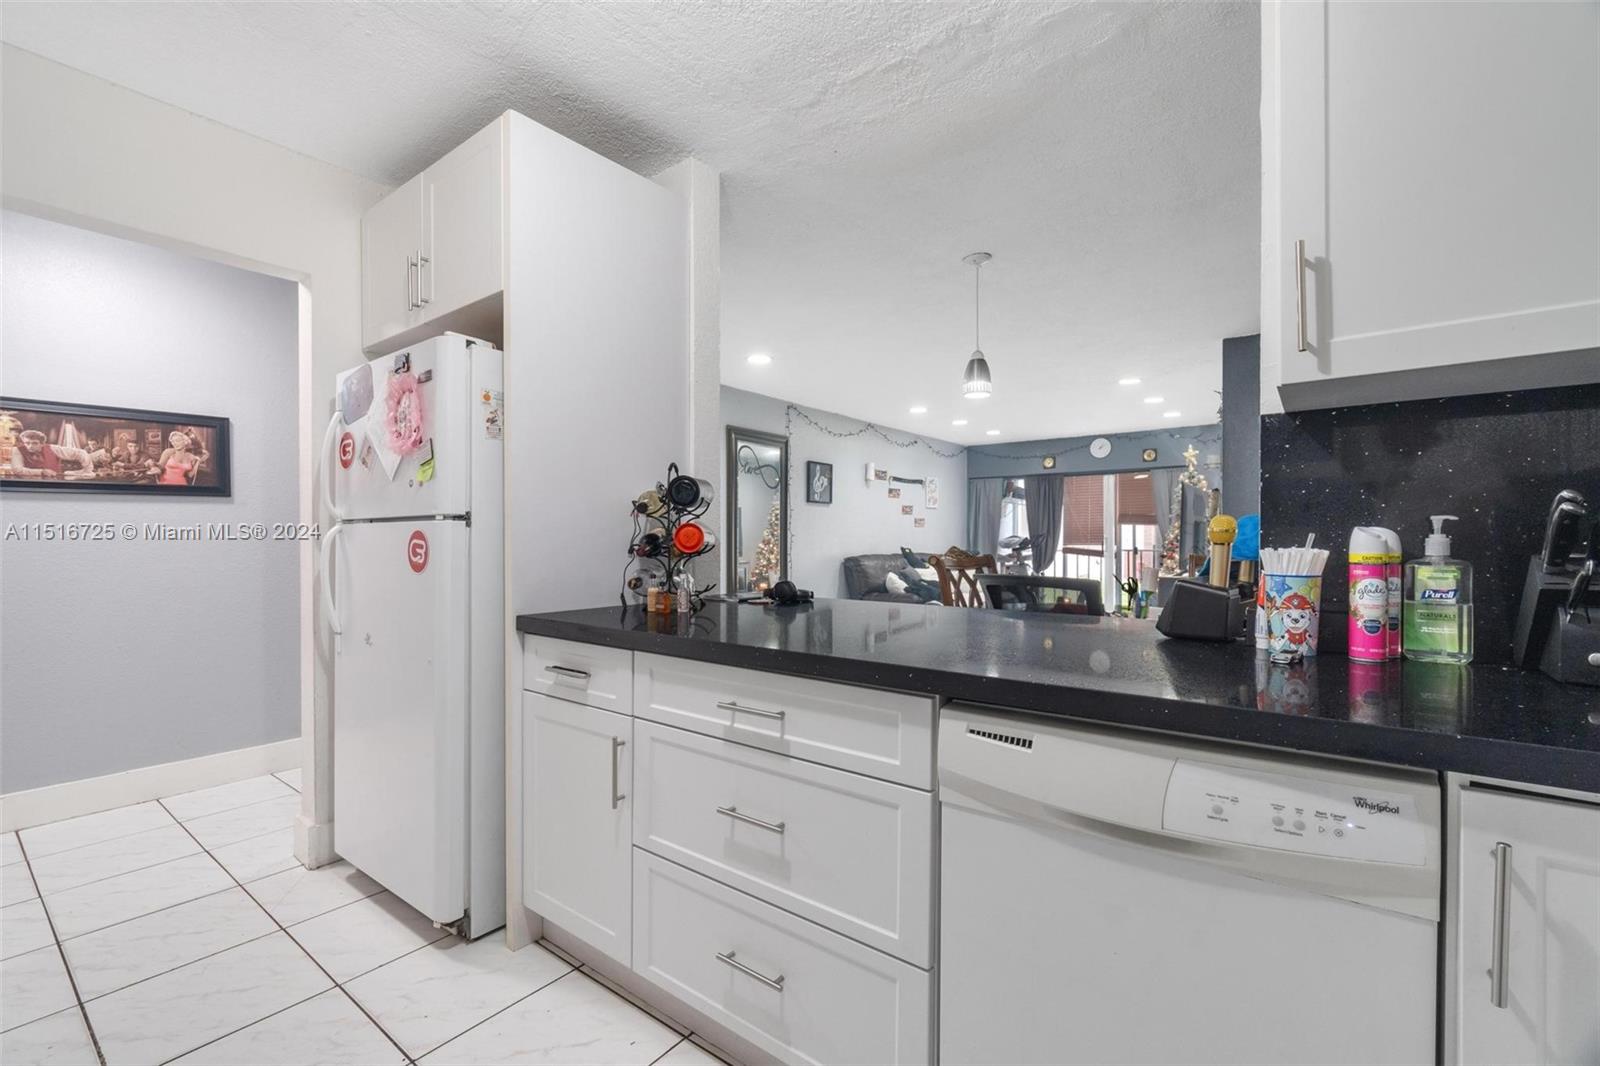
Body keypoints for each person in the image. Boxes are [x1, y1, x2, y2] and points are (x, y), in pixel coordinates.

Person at [8, 429, 94, 479]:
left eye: (34, 443)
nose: (30, 446)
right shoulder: (17, 450)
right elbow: (17, 470)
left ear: (42, 444)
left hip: (54, 485)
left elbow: (79, 453)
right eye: (27, 443)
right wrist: (42, 472)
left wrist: (87, 468)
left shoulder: (52, 448)